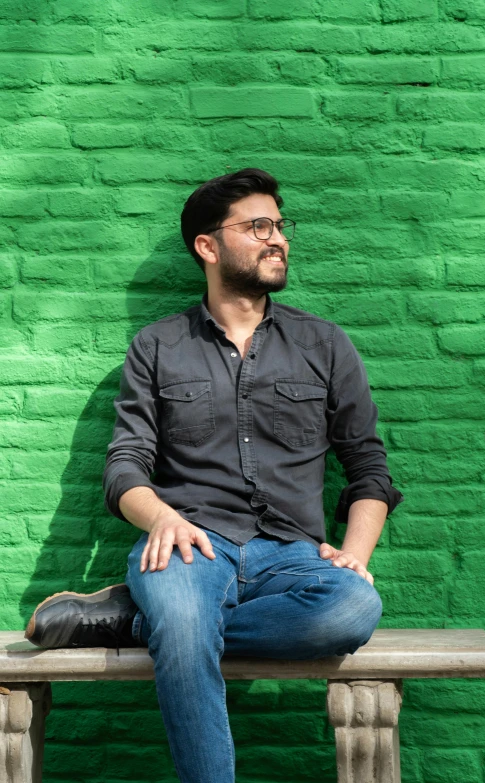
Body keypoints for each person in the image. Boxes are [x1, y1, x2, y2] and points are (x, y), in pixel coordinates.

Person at [25, 168, 403, 783]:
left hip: (291, 554)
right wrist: (164, 519)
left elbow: (367, 467)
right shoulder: (158, 346)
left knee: (352, 609)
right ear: (208, 245)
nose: (277, 238)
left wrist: (356, 554)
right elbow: (124, 466)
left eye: (279, 226)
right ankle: (174, 621)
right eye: (258, 226)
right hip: (190, 545)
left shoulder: (325, 344)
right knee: (185, 610)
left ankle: (142, 621)